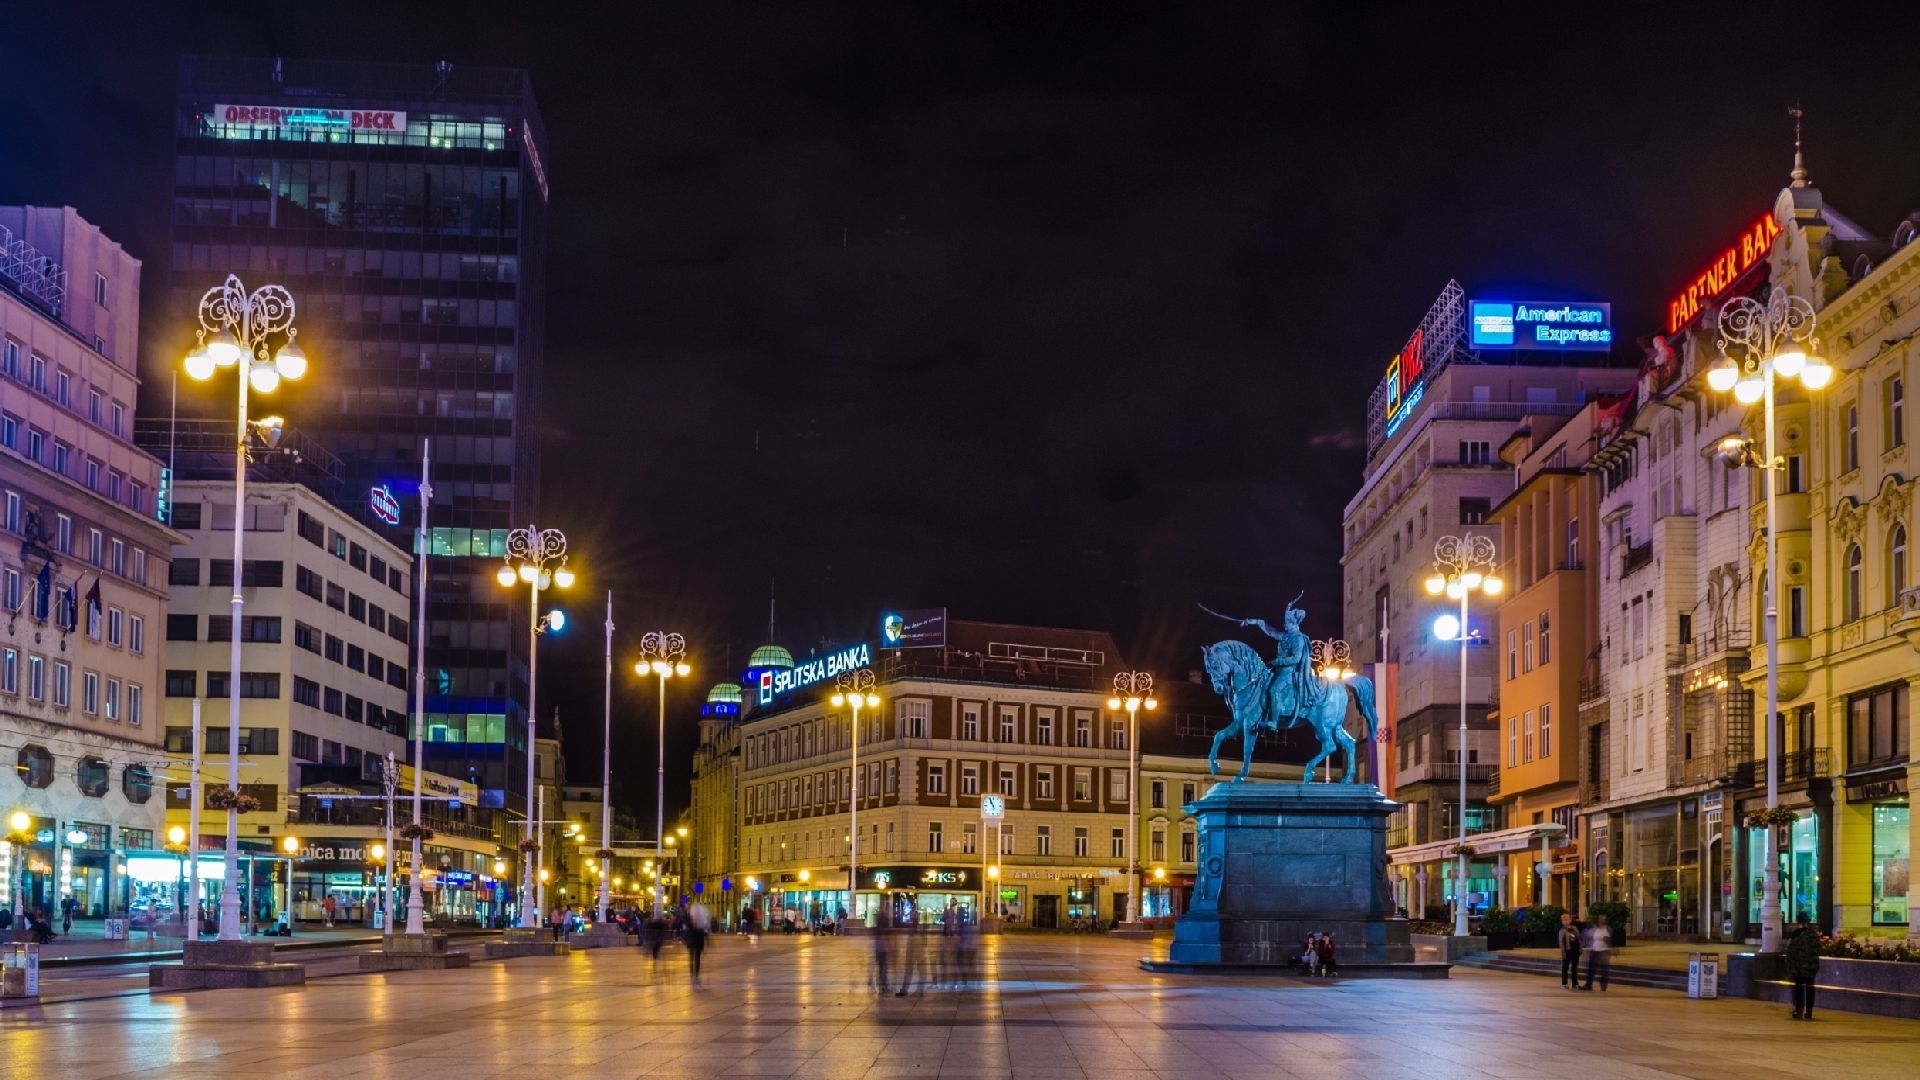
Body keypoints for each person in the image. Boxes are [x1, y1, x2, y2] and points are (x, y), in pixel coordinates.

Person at [1787, 924, 1822, 1019]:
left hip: (1799, 968)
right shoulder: (1814, 938)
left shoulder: (1797, 938)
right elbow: (1819, 951)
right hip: (1811, 968)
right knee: (1810, 988)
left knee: (1799, 989)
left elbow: (1790, 951)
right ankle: (1809, 1012)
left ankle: (1798, 1011)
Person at [1581, 918, 1612, 991]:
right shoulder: (1595, 929)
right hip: (1594, 951)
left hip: (1603, 952)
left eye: (1602, 920)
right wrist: (1587, 950)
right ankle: (1588, 985)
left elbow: (1609, 941)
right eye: (1600, 920)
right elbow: (1590, 940)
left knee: (1604, 970)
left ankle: (1603, 985)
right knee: (1591, 969)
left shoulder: (1607, 929)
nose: (1600, 922)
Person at [684, 901, 711, 982]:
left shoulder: (689, 919)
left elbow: (686, 930)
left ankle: (693, 974)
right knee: (696, 958)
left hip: (692, 940)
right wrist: (708, 939)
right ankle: (695, 975)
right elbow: (704, 931)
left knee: (692, 957)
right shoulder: (700, 921)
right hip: (698, 940)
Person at [1557, 913, 1582, 989]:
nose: (1566, 921)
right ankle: (1564, 983)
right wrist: (1563, 952)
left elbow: (1578, 939)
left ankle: (1575, 983)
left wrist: (1580, 949)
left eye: (1567, 919)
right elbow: (1561, 942)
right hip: (1567, 951)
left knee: (1574, 968)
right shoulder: (1562, 931)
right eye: (1564, 920)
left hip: (1575, 951)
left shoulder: (1574, 929)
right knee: (1565, 967)